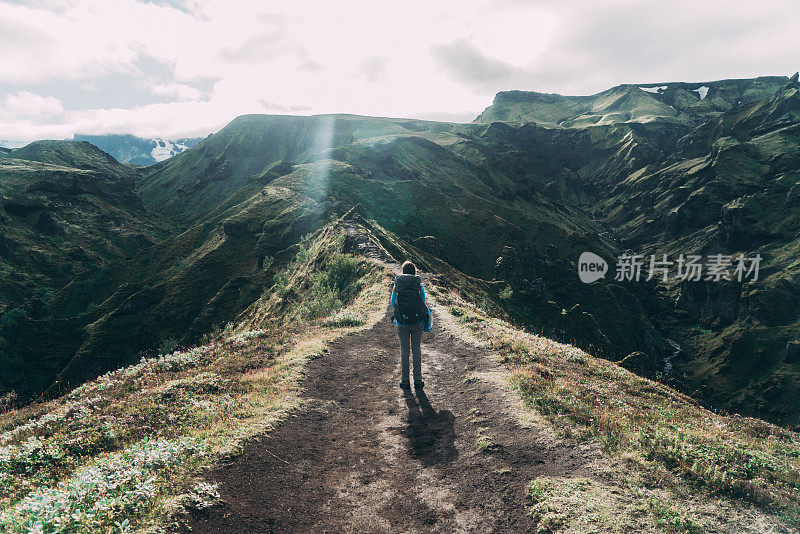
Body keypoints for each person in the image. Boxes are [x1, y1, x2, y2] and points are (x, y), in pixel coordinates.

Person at [390, 260, 432, 389]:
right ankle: (418, 381)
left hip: (401, 322)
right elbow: (423, 302)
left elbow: (393, 303)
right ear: (414, 272)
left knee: (404, 350)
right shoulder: (419, 285)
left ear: (403, 271)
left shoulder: (397, 284)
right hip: (417, 321)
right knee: (416, 349)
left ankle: (405, 381)